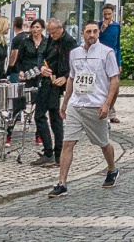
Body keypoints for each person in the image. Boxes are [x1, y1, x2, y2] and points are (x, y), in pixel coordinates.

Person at [48, 22, 120, 198]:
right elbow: (72, 78)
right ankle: (62, 183)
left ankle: (112, 169)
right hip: (76, 105)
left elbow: (114, 80)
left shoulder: (106, 53)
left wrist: (107, 105)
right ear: (82, 34)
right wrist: (65, 103)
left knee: (103, 143)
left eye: (95, 31)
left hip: (96, 106)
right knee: (68, 143)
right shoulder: (75, 53)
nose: (92, 34)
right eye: (89, 32)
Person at [32, 17, 77, 167]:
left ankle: (53, 153)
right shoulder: (50, 39)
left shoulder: (69, 41)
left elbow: (75, 63)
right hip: (48, 79)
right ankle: (53, 153)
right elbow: (41, 55)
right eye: (49, 32)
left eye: (53, 32)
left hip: (58, 82)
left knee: (52, 117)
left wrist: (65, 77)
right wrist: (41, 67)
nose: (51, 35)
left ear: (60, 28)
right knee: (47, 116)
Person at [97, 6, 121, 124]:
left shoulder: (116, 26)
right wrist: (101, 29)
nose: (107, 17)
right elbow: (95, 40)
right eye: (105, 14)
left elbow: (118, 44)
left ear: (113, 14)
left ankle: (111, 109)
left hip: (113, 57)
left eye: (109, 14)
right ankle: (105, 111)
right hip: (101, 58)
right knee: (103, 86)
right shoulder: (98, 25)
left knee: (115, 88)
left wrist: (119, 62)